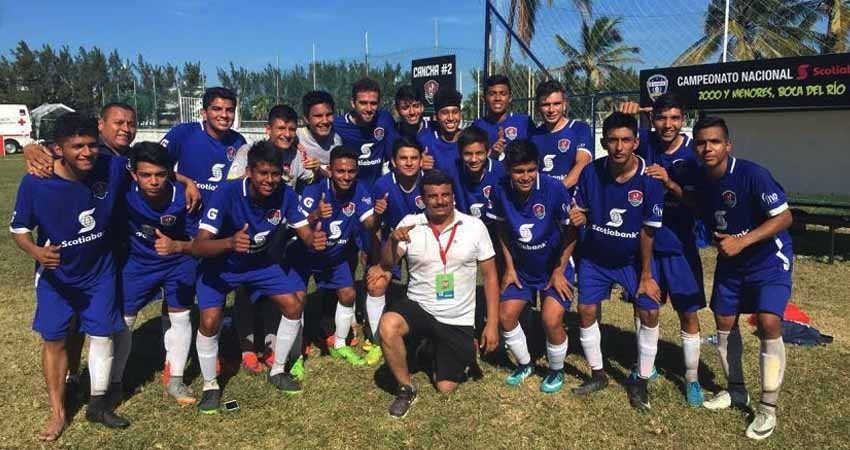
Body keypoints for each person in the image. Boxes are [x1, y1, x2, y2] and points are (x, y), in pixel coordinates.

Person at [10, 113, 131, 439]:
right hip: (56, 277)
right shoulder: (37, 181)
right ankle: (58, 411)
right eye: (77, 146)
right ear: (59, 148)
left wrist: (187, 182)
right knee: (55, 340)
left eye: (92, 145)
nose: (87, 153)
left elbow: (153, 163)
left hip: (99, 272)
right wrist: (36, 252)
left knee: (101, 333)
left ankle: (97, 401)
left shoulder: (111, 167)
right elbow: (19, 229)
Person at [191, 141, 320, 412]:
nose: (270, 180)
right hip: (220, 264)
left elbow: (303, 229)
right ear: (249, 171)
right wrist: (228, 243)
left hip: (259, 264)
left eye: (275, 174)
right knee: (210, 320)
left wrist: (313, 239)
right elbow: (199, 245)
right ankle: (210, 385)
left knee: (295, 305)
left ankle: (278, 370)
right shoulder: (226, 192)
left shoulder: (285, 194)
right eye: (263, 173)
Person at [692, 116, 793, 440]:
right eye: (702, 142)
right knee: (722, 321)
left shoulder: (752, 174)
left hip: (767, 260)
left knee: (768, 322)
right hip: (731, 262)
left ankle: (767, 409)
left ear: (727, 145)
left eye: (714, 141)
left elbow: (785, 217)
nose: (708, 148)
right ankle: (736, 390)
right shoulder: (701, 179)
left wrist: (744, 241)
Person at [378, 169, 500, 418]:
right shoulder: (410, 224)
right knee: (388, 325)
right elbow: (387, 265)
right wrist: (392, 242)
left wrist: (492, 323)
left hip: (457, 318)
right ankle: (406, 388)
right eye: (433, 196)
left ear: (454, 196)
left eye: (445, 194)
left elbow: (490, 277)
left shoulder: (474, 227)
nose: (440, 200)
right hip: (419, 307)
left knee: (445, 387)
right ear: (423, 199)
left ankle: (427, 348)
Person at [567, 112, 664, 411]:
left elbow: (649, 230)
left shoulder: (649, 179)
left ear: (636, 142)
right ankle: (598, 374)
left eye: (625, 140)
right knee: (585, 310)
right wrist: (578, 215)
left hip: (632, 260)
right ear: (603, 142)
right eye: (613, 140)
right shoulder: (591, 172)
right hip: (595, 257)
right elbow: (579, 212)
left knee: (649, 313)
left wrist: (646, 274)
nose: (619, 146)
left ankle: (641, 380)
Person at [616, 93, 707, 406]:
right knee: (646, 309)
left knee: (688, 314)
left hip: (679, 246)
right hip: (645, 244)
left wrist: (670, 184)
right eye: (661, 118)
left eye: (674, 118)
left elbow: (698, 206)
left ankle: (692, 378)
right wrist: (627, 110)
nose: (668, 125)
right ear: (652, 120)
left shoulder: (694, 154)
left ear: (683, 119)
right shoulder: (645, 141)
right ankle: (646, 367)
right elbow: (620, 136)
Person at [109, 142, 197, 406]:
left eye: (160, 174)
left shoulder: (184, 196)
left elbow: (198, 240)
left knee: (181, 316)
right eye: (146, 175)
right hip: (138, 264)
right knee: (124, 321)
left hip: (177, 261)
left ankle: (176, 378)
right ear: (134, 175)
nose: (154, 181)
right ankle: (114, 382)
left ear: (169, 173)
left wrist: (178, 246)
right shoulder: (123, 192)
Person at [486, 139, 576, 393]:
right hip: (522, 268)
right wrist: (510, 268)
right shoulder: (500, 189)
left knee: (550, 319)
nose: (525, 177)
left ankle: (556, 369)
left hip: (553, 267)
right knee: (506, 315)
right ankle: (525, 364)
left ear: (537, 167)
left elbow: (571, 231)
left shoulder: (554, 189)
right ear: (508, 171)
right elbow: (501, 228)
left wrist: (559, 270)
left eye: (530, 170)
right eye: (518, 171)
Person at [226, 104, 307, 375]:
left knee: (276, 289)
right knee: (245, 291)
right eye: (281, 128)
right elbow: (234, 186)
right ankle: (247, 347)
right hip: (247, 232)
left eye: (291, 129)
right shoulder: (248, 153)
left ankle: (273, 344)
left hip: (278, 234)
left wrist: (320, 170)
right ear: (268, 129)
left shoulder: (296, 155)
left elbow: (303, 179)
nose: (286, 134)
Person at [290, 146, 379, 365]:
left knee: (348, 294)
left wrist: (379, 213)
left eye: (351, 171)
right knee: (297, 301)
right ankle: (295, 353)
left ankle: (340, 344)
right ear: (330, 169)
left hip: (334, 255)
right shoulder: (315, 189)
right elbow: (297, 225)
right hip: (305, 254)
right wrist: (317, 214)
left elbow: (369, 222)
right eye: (340, 171)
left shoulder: (360, 189)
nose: (346, 176)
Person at [363, 136, 428, 365]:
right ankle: (376, 340)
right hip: (394, 240)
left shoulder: (430, 182)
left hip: (424, 241)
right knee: (376, 282)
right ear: (393, 161)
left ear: (422, 160)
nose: (409, 163)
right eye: (403, 158)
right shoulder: (382, 185)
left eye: (414, 158)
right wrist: (376, 261)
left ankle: (431, 333)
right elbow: (373, 227)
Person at [160, 86, 247, 236]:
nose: (224, 115)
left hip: (221, 226)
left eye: (229, 110)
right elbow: (153, 166)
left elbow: (240, 182)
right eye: (217, 109)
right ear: (204, 113)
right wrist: (187, 182)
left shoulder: (239, 141)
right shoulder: (184, 133)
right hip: (186, 222)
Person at [334, 78, 397, 189]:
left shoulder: (384, 119)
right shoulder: (338, 124)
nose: (369, 108)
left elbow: (394, 152)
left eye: (373, 103)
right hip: (350, 193)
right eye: (363, 103)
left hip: (377, 191)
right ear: (353, 103)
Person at [529, 80, 592, 190]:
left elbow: (582, 162)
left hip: (570, 197)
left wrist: (559, 189)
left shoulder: (579, 129)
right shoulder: (534, 135)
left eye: (556, 104)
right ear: (538, 107)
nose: (551, 110)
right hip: (542, 199)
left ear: (564, 105)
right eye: (545, 105)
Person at [472, 74, 535, 161]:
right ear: (484, 98)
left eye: (503, 94)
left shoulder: (524, 122)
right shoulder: (477, 126)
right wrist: (493, 155)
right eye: (492, 94)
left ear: (510, 97)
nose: (497, 98)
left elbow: (534, 155)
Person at [451, 126, 505, 220]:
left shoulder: (500, 172)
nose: (474, 159)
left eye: (479, 153)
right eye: (468, 154)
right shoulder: (453, 171)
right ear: (460, 154)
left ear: (488, 152)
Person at [417, 88, 464, 176]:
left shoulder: (469, 139)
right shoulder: (425, 141)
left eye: (455, 112)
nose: (450, 118)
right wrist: (419, 165)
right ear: (436, 116)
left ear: (460, 114)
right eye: (445, 113)